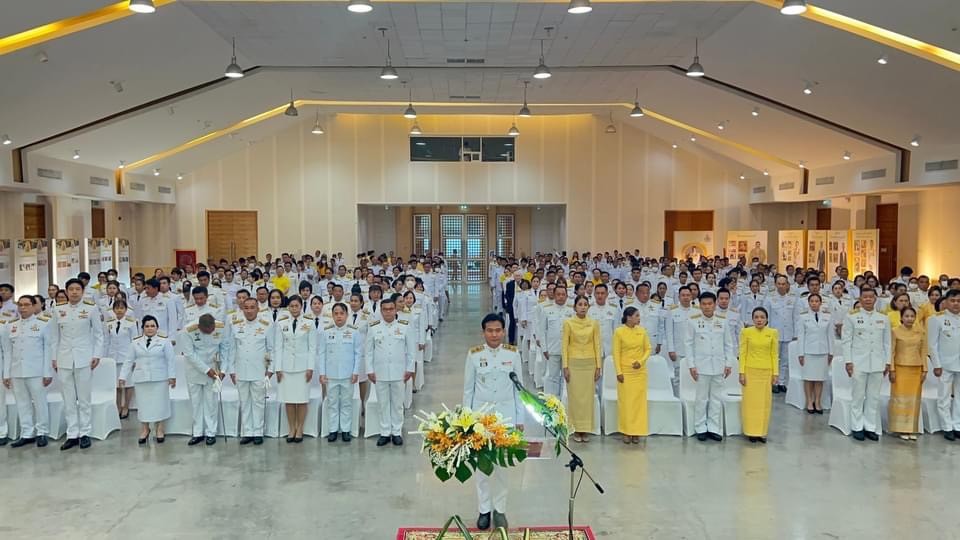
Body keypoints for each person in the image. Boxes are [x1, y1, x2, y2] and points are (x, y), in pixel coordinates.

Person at [463, 313, 524, 531]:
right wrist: (466, 421)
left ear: (504, 331)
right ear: (483, 332)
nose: (494, 334)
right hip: (481, 419)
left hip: (505, 417)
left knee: (502, 468)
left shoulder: (513, 354)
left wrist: (519, 419)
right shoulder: (474, 355)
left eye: (498, 330)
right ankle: (483, 510)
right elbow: (468, 390)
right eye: (490, 330)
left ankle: (499, 510)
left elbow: (519, 389)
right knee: (482, 467)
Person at [50, 278, 104, 451]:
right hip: (64, 358)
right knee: (68, 399)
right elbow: (54, 337)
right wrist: (54, 357)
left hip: (84, 358)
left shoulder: (91, 308)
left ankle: (85, 432)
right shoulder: (58, 309)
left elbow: (99, 334)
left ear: (82, 291)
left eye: (77, 289)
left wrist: (97, 355)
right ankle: (72, 433)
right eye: (71, 289)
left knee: (84, 398)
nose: (74, 292)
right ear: (66, 291)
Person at [1, 296, 54, 448]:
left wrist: (47, 372)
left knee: (40, 403)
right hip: (17, 370)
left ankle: (42, 432)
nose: (23, 308)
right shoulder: (10, 325)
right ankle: (27, 433)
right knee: (22, 403)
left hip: (36, 370)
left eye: (26, 305)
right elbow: (7, 351)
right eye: (20, 305)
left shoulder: (43, 323)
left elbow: (47, 350)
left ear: (33, 306)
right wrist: (6, 374)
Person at [841, 288, 890, 442]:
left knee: (873, 397)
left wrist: (888, 362)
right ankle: (857, 427)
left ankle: (870, 427)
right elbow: (846, 341)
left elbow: (887, 343)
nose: (868, 299)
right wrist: (848, 361)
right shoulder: (851, 317)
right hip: (858, 362)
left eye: (871, 297)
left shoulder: (883, 318)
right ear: (860, 299)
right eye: (865, 297)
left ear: (875, 299)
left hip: (877, 362)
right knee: (858, 396)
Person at [685, 292, 735, 442]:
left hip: (719, 365)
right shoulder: (693, 321)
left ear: (715, 304)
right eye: (704, 304)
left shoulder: (722, 321)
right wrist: (691, 365)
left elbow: (728, 344)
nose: (707, 307)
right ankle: (700, 427)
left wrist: (728, 363)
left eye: (710, 304)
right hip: (701, 366)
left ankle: (714, 428)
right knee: (701, 398)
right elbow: (688, 344)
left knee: (716, 398)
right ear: (700, 305)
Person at [365, 298, 416, 446]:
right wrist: (369, 370)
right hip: (379, 372)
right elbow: (368, 351)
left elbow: (411, 350)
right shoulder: (374, 327)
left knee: (398, 404)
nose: (388, 312)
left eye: (391, 309)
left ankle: (397, 432)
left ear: (395, 310)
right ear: (381, 311)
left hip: (399, 372)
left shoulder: (404, 326)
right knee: (383, 404)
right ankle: (385, 432)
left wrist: (410, 369)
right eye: (385, 309)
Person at [121, 316, 175, 445]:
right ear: (142, 328)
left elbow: (171, 360)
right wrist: (122, 377)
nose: (150, 328)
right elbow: (128, 361)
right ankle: (145, 429)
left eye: (152, 326)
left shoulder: (164, 341)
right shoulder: (135, 343)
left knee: (160, 404)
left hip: (159, 378)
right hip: (141, 378)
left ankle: (160, 429)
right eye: (147, 326)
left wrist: (172, 376)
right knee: (143, 405)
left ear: (157, 327)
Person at [228, 297, 274, 446]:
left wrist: (270, 371)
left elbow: (271, 349)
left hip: (259, 371)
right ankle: (247, 432)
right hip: (241, 370)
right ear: (242, 309)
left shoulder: (266, 325)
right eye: (246, 308)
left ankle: (258, 432)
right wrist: (231, 370)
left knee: (258, 402)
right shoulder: (235, 325)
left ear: (258, 309)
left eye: (252, 307)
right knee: (245, 402)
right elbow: (232, 349)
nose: (249, 311)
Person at [179, 313, 230, 446]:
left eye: (212, 329)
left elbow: (225, 348)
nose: (210, 332)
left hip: (214, 369)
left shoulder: (221, 327)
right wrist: (207, 370)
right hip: (194, 371)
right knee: (196, 403)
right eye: (207, 331)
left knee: (211, 403)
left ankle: (211, 433)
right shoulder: (187, 331)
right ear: (199, 327)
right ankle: (197, 433)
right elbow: (190, 354)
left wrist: (223, 370)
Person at [317, 302, 362, 443]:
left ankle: (346, 430)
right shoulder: (326, 331)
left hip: (348, 374)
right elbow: (321, 353)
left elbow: (358, 354)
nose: (339, 316)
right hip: (331, 375)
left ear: (347, 315)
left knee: (347, 403)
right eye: (336, 314)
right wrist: (322, 373)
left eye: (342, 313)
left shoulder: (354, 331)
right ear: (332, 315)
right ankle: (333, 430)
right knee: (332, 403)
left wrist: (355, 372)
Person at [561, 295, 602, 443]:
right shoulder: (568, 323)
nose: (583, 307)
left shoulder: (594, 323)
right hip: (574, 364)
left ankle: (585, 429)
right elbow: (564, 345)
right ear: (574, 307)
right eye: (580, 304)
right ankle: (576, 429)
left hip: (589, 364)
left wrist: (598, 366)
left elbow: (597, 344)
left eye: (585, 304)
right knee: (575, 398)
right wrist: (565, 366)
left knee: (587, 399)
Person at [275, 295, 314, 443]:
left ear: (301, 307)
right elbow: (278, 347)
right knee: (289, 400)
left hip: (303, 367)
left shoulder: (309, 323)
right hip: (286, 367)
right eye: (291, 306)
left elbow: (312, 348)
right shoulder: (281, 323)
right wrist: (278, 368)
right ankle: (291, 428)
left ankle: (300, 428)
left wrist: (310, 368)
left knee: (302, 399)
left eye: (296, 306)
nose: (294, 308)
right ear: (288, 307)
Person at [739, 307, 779, 443]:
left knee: (764, 404)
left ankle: (762, 432)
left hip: (766, 372)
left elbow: (774, 354)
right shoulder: (746, 332)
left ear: (767, 319)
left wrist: (775, 373)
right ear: (752, 319)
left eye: (762, 317)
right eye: (756, 317)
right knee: (751, 404)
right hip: (750, 372)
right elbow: (743, 353)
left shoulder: (773, 333)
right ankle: (751, 431)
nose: (759, 320)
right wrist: (741, 372)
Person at [612, 306, 651, 443]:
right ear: (628, 317)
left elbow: (648, 349)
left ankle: (637, 432)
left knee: (639, 404)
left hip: (639, 372)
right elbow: (616, 353)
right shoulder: (619, 332)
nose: (639, 318)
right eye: (636, 315)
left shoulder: (642, 331)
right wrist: (619, 372)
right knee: (626, 403)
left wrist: (641, 361)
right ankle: (626, 431)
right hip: (625, 372)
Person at [888, 306, 927, 441]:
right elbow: (891, 352)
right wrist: (892, 369)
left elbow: (923, 351)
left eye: (912, 316)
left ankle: (911, 429)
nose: (910, 319)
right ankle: (899, 428)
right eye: (907, 316)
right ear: (901, 317)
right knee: (900, 399)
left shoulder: (920, 332)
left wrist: (925, 369)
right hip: (900, 368)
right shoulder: (895, 331)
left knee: (914, 400)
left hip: (916, 368)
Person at [928, 288, 960, 441]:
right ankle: (947, 426)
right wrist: (936, 364)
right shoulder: (937, 319)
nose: (956, 304)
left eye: (959, 301)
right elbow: (932, 344)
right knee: (944, 397)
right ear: (946, 302)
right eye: (952, 301)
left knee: (959, 397)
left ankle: (957, 425)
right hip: (945, 364)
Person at [795, 293, 832, 414]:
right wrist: (800, 354)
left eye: (817, 301)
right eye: (812, 301)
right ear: (808, 303)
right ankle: (809, 402)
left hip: (823, 351)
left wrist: (831, 352)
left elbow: (830, 335)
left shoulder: (827, 316)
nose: (814, 303)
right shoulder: (803, 317)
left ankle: (818, 401)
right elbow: (801, 336)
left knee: (820, 379)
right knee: (808, 378)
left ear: (821, 303)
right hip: (808, 352)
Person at [536, 284, 575, 397]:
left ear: (567, 296)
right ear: (554, 295)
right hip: (552, 349)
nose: (561, 297)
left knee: (566, 376)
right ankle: (553, 400)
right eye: (558, 294)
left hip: (568, 350)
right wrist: (544, 348)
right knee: (553, 377)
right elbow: (542, 330)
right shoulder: (546, 310)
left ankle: (564, 399)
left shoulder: (572, 310)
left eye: (563, 294)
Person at [104, 299, 139, 419]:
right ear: (113, 310)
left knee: (128, 384)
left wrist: (135, 359)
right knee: (117, 385)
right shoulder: (109, 323)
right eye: (117, 308)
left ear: (126, 310)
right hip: (113, 357)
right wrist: (105, 358)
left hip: (127, 357)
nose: (119, 310)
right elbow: (106, 341)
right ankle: (118, 406)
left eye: (122, 308)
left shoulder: (131, 323)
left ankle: (126, 407)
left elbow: (135, 341)